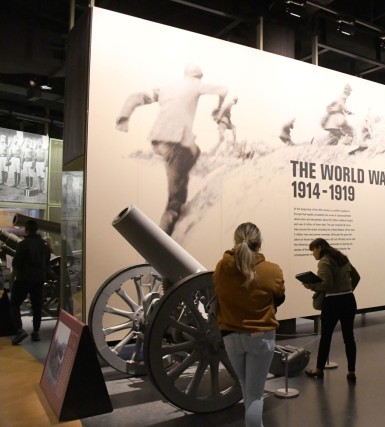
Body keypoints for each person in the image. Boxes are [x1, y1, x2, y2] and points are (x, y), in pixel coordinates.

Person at [116, 63, 228, 235]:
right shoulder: (196, 84)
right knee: (175, 202)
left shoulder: (167, 88)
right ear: (199, 76)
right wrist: (220, 108)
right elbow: (223, 89)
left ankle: (180, 177)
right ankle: (161, 242)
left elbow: (136, 97)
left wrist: (124, 117)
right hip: (174, 143)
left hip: (158, 140)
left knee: (194, 150)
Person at [213, 222, 285, 427]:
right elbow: (279, 298)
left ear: (235, 241)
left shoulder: (221, 267)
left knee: (247, 388)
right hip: (261, 337)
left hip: (231, 337)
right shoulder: (272, 270)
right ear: (260, 242)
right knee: (255, 395)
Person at [304, 238, 360, 383]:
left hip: (333, 303)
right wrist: (347, 290)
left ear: (320, 247)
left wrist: (310, 285)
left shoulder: (324, 262)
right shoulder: (342, 258)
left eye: (313, 250)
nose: (313, 254)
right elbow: (356, 277)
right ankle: (351, 372)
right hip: (349, 300)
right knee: (349, 338)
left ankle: (319, 369)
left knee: (326, 337)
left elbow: (326, 284)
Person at [10, 219, 51, 345]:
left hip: (23, 279)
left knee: (14, 304)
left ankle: (19, 329)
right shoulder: (44, 245)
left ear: (26, 230)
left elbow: (16, 263)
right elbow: (47, 262)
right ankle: (36, 332)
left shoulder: (23, 244)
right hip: (38, 279)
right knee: (37, 306)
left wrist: (13, 278)